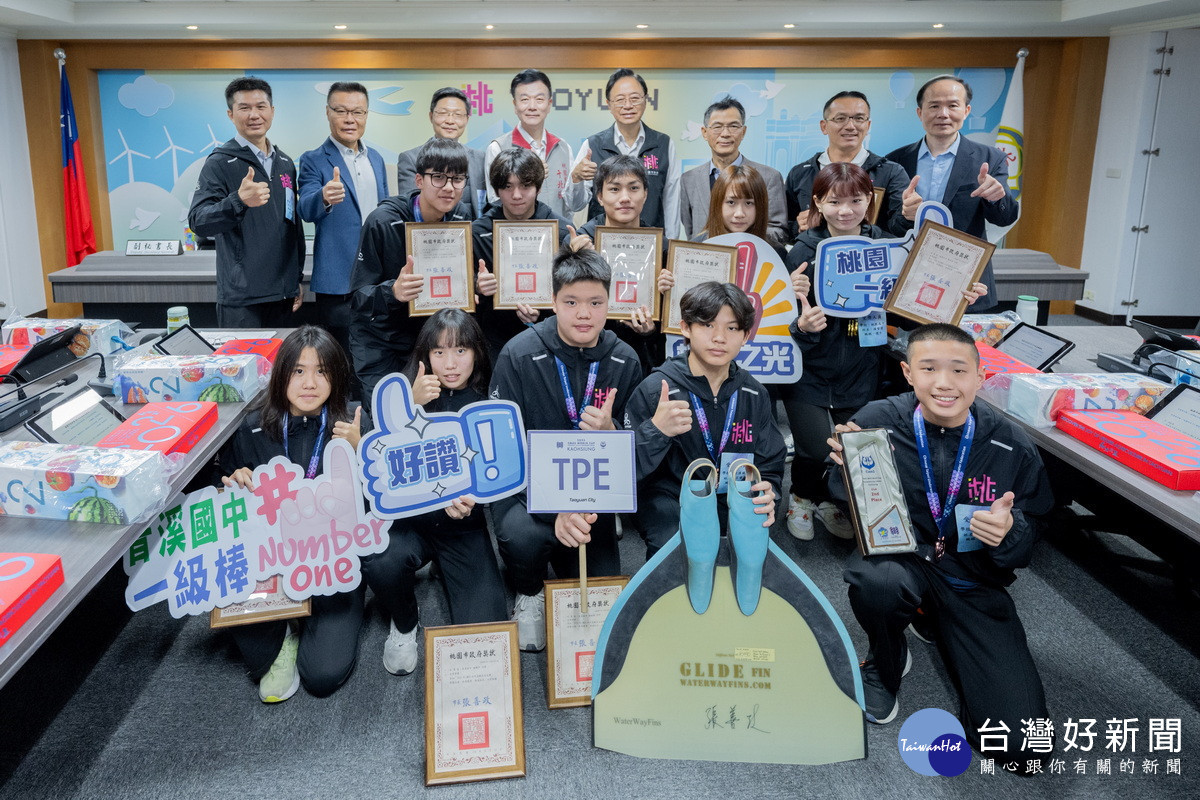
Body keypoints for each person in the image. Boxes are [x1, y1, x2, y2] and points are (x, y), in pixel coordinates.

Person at [826, 323, 1053, 773]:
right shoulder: (877, 420)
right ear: (908, 373)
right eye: (929, 368)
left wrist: (1010, 530)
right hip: (901, 562)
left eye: (959, 370)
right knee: (877, 583)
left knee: (1023, 749)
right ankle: (885, 660)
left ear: (980, 377)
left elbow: (1033, 534)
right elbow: (841, 496)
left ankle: (932, 619)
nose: (944, 383)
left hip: (970, 579)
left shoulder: (1011, 445)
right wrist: (843, 472)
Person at [784, 163, 985, 542]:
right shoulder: (803, 252)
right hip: (808, 370)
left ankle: (828, 499)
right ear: (818, 203)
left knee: (852, 444)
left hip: (862, 366)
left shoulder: (888, 247)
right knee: (813, 447)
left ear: (869, 201)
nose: (846, 211)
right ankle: (801, 497)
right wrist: (801, 323)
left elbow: (912, 307)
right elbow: (781, 325)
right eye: (834, 201)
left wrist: (958, 295)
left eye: (855, 200)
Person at [489, 248, 645, 652]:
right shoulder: (518, 354)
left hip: (593, 493)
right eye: (571, 302)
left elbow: (635, 445)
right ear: (553, 300)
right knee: (520, 535)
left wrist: (612, 431)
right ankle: (529, 590)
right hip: (527, 490)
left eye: (596, 303)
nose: (584, 314)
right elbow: (504, 449)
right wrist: (553, 509)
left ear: (610, 302)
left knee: (601, 591)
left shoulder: (625, 359)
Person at [217, 325, 364, 703]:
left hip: (330, 560)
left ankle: (309, 616)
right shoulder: (251, 426)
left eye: (322, 371)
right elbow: (227, 508)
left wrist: (362, 450)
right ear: (282, 374)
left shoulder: (351, 424)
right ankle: (285, 630)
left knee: (322, 676)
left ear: (337, 376)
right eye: (298, 371)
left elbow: (378, 505)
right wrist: (234, 482)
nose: (309, 383)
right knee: (255, 653)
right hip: (271, 560)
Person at [361, 310, 508, 676]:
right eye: (439, 352)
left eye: (460, 350)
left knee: (486, 635)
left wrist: (476, 499)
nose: (450, 364)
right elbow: (377, 459)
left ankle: (445, 567)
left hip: (462, 526)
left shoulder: (487, 401)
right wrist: (408, 405)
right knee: (378, 557)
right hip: (410, 524)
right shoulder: (405, 396)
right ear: (425, 356)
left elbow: (499, 473)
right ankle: (404, 622)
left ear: (477, 352)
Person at [624, 281, 782, 558]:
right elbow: (625, 469)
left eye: (732, 328)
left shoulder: (754, 393)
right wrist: (657, 430)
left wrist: (770, 491)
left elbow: (769, 461)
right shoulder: (656, 389)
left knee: (751, 547)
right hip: (670, 496)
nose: (719, 337)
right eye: (708, 325)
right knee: (676, 545)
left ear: (745, 336)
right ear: (686, 328)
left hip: (732, 493)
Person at [347, 138, 489, 409]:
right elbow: (358, 298)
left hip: (431, 343)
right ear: (419, 180)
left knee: (430, 419)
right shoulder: (384, 221)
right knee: (385, 415)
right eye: (439, 177)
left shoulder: (460, 218)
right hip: (382, 343)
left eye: (457, 179)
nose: (449, 187)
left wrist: (474, 285)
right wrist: (393, 291)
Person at [886, 75, 1018, 312]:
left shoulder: (990, 158)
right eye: (934, 106)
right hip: (908, 274)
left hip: (965, 279)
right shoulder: (895, 161)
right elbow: (888, 226)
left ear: (966, 111)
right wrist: (905, 215)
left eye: (952, 105)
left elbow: (1004, 218)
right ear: (920, 113)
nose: (943, 114)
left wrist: (997, 198)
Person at [188, 77, 305, 327]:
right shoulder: (219, 162)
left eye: (261, 106)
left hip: (282, 294)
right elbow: (198, 221)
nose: (254, 115)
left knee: (281, 355)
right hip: (241, 298)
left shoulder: (285, 163)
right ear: (231, 114)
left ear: (272, 111)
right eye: (244, 108)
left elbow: (292, 224)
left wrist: (295, 278)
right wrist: (238, 201)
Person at [299, 81, 388, 359]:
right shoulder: (313, 159)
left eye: (358, 112)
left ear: (366, 115)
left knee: (377, 355)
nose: (350, 119)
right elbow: (305, 209)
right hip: (338, 283)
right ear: (328, 112)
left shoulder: (376, 159)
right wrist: (324, 197)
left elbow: (385, 212)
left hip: (377, 279)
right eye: (341, 111)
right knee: (339, 360)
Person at [472, 147, 571, 360]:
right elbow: (462, 288)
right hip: (493, 339)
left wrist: (542, 313)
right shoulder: (478, 232)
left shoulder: (561, 231)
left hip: (549, 338)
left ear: (538, 187)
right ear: (497, 190)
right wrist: (477, 285)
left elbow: (571, 292)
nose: (516, 195)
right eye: (507, 187)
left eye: (525, 186)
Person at [574, 154, 671, 374]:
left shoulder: (661, 248)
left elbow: (668, 327)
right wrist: (574, 260)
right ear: (600, 197)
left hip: (641, 358)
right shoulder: (582, 242)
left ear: (645, 194)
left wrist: (651, 329)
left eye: (634, 188)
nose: (625, 198)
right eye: (615, 189)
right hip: (587, 355)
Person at [783, 91, 910, 242]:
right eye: (840, 118)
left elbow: (900, 232)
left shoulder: (890, 172)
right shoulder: (800, 174)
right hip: (815, 254)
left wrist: (908, 215)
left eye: (859, 118)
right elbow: (784, 227)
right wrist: (797, 226)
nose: (850, 126)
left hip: (869, 254)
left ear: (868, 125)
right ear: (824, 126)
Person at [573, 68, 681, 235]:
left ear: (645, 100)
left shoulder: (664, 144)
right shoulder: (592, 145)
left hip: (650, 240)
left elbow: (671, 200)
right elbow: (576, 204)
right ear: (609, 104)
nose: (628, 105)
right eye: (620, 100)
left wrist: (669, 244)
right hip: (603, 240)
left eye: (635, 98)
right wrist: (576, 178)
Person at [680, 96, 786, 246]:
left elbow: (778, 231)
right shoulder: (689, 179)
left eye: (733, 126)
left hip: (752, 257)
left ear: (743, 132)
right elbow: (691, 231)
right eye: (717, 127)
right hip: (705, 258)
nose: (725, 133)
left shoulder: (769, 177)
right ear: (704, 132)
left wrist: (739, 240)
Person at [483, 69, 586, 220]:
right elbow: (495, 201)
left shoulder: (563, 147)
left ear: (549, 104)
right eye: (524, 99)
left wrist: (577, 180)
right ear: (515, 105)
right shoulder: (498, 148)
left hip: (558, 231)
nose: (532, 106)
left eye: (539, 99)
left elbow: (574, 205)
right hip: (516, 232)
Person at [396, 88, 488, 218]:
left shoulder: (480, 158)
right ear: (431, 116)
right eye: (443, 113)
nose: (450, 121)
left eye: (458, 114)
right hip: (430, 229)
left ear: (467, 119)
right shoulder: (411, 158)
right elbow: (410, 207)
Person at [696, 165, 788, 259]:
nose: (739, 214)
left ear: (760, 206)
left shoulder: (775, 252)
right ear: (717, 204)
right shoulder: (694, 248)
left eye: (748, 203)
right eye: (731, 202)